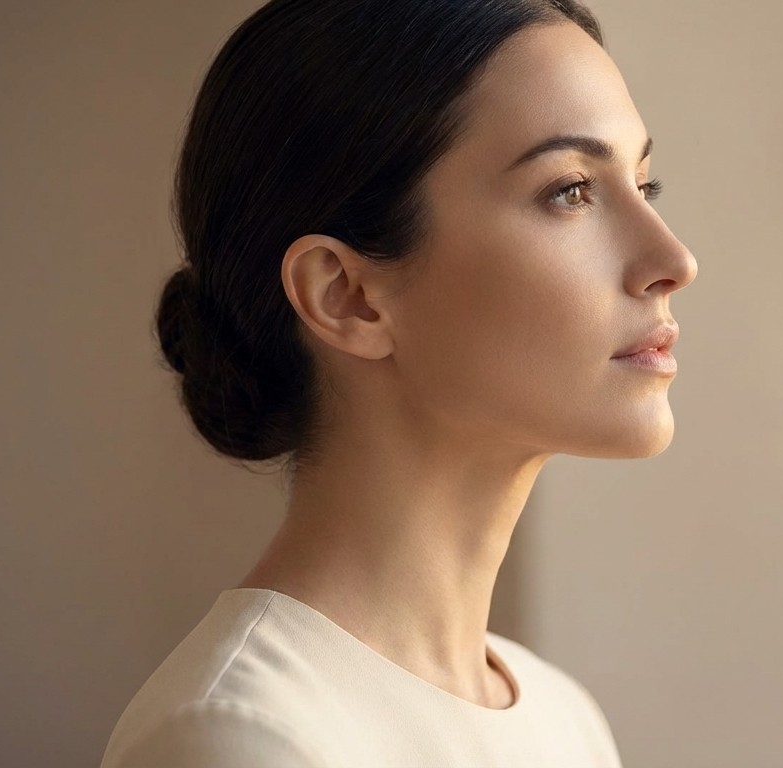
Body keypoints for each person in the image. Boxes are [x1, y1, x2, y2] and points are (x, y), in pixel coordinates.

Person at [100, 0, 696, 764]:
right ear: (346, 294)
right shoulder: (242, 737)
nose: (674, 261)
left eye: (643, 187)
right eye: (571, 190)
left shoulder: (563, 718)